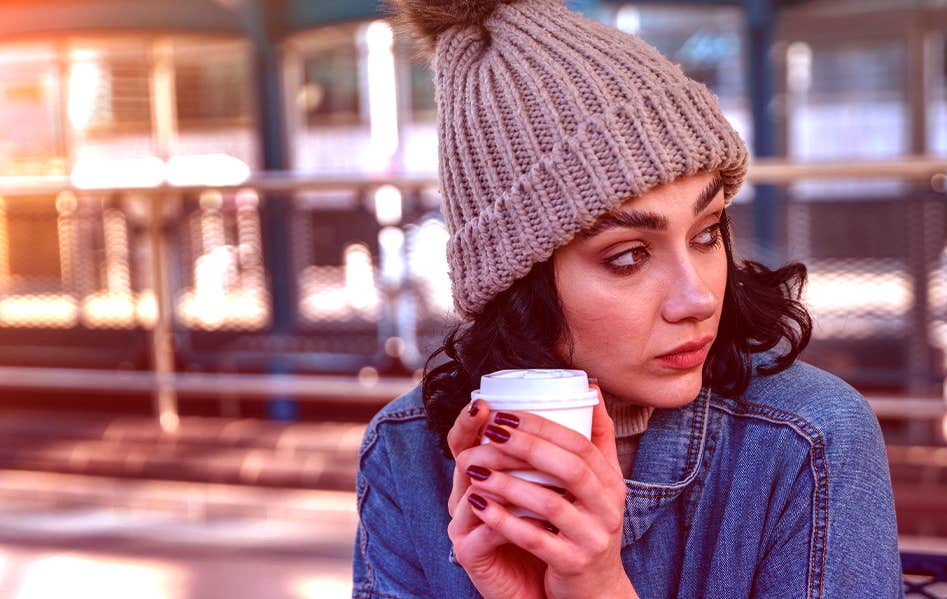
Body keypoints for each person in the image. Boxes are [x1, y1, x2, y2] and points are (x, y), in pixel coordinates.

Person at [352, 1, 902, 596]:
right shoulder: (407, 451)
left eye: (707, 232)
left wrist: (598, 586)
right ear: (519, 285)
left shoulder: (806, 439)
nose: (696, 299)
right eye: (629, 256)